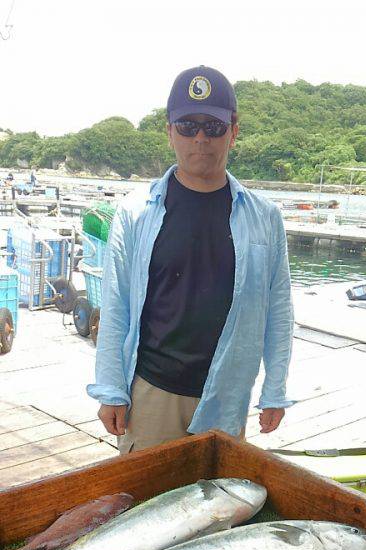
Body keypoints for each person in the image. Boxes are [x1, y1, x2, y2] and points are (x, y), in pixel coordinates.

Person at [87, 65, 294, 452]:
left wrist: (275, 390)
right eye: (187, 126)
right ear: (169, 132)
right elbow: (115, 306)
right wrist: (111, 388)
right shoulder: (135, 213)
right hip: (152, 394)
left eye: (213, 127)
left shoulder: (266, 218)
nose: (200, 138)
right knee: (142, 504)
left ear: (233, 131)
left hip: (228, 398)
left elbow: (278, 309)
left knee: (217, 509)